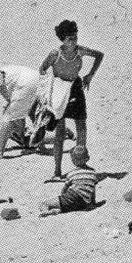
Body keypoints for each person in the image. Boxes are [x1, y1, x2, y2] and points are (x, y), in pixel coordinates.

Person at [40, 20, 104, 180]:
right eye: (70, 39)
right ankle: (57, 172)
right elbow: (42, 69)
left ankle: (81, 166)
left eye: (75, 37)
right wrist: (49, 87)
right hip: (60, 91)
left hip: (75, 87)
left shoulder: (80, 50)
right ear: (62, 40)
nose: (74, 41)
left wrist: (90, 75)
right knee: (60, 132)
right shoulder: (55, 54)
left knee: (81, 126)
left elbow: (99, 55)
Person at [0, 62, 43, 156]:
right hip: (36, 80)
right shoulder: (5, 74)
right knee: (28, 113)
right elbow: (13, 102)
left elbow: (11, 105)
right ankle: (36, 141)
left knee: (8, 117)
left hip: (26, 84)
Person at [43, 144, 101, 215]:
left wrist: (62, 198)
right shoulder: (93, 173)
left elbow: (64, 189)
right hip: (84, 203)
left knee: (45, 204)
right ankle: (61, 209)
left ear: (73, 160)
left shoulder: (72, 173)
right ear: (87, 158)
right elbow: (92, 190)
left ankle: (45, 212)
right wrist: (92, 203)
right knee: (69, 206)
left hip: (73, 197)